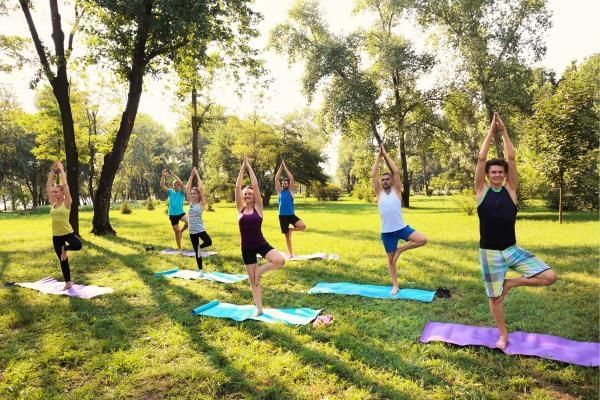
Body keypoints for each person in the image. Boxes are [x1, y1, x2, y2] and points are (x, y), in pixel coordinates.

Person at [475, 112, 557, 349]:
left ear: (505, 174)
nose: (498, 174)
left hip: (511, 249)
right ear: (488, 175)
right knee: (494, 297)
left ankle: (510, 283)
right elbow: (481, 160)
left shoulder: (511, 190)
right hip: (489, 253)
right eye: (494, 172)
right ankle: (503, 335)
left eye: (501, 171)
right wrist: (491, 132)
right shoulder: (481, 191)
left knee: (549, 276)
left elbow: (511, 157)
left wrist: (505, 132)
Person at [372, 144, 427, 295]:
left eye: (387, 179)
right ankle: (395, 285)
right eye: (382, 179)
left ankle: (400, 250)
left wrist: (386, 155)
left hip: (401, 228)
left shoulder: (397, 191)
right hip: (387, 232)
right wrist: (378, 157)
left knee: (422, 239)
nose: (384, 181)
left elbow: (396, 172)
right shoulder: (379, 194)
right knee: (391, 261)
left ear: (391, 181)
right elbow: (373, 175)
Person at [235, 156, 285, 316]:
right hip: (247, 248)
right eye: (246, 194)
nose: (248, 195)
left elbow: (255, 185)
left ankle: (259, 271)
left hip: (260, 243)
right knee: (253, 282)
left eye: (250, 193)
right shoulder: (240, 209)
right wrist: (242, 169)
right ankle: (259, 308)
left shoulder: (258, 207)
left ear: (254, 196)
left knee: (280, 260)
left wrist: (249, 166)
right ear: (243, 197)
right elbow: (237, 187)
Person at [47, 161, 82, 290]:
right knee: (63, 260)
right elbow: (48, 185)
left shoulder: (67, 202)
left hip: (68, 233)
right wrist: (52, 170)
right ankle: (67, 282)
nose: (54, 193)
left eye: (56, 192)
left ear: (62, 193)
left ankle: (65, 249)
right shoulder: (53, 202)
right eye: (53, 192)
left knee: (78, 245)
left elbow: (66, 185)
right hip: (56, 236)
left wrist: (61, 170)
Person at [274, 160, 306, 257]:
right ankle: (291, 254)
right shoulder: (280, 191)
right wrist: (280, 168)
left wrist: (285, 167)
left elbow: (291, 178)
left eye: (285, 183)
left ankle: (291, 229)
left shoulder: (291, 192)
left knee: (303, 226)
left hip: (291, 215)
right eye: (283, 183)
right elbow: (276, 179)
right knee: (287, 237)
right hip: (282, 216)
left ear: (288, 184)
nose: (284, 184)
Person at [185, 167, 212, 271]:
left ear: (198, 195)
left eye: (194, 193)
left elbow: (201, 188)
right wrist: (191, 177)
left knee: (208, 242)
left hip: (200, 229)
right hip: (192, 231)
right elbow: (187, 188)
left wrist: (196, 173)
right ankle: (200, 270)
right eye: (191, 194)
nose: (192, 195)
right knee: (197, 252)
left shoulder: (201, 204)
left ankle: (199, 247)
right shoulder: (190, 203)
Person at [161, 169, 188, 253]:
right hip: (172, 215)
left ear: (179, 186)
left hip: (181, 213)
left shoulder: (182, 193)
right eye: (174, 185)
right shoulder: (170, 192)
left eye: (176, 185)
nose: (175, 186)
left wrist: (174, 176)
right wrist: (163, 176)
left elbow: (182, 184)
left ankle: (182, 230)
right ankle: (179, 248)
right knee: (176, 231)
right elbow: (162, 185)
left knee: (189, 221)